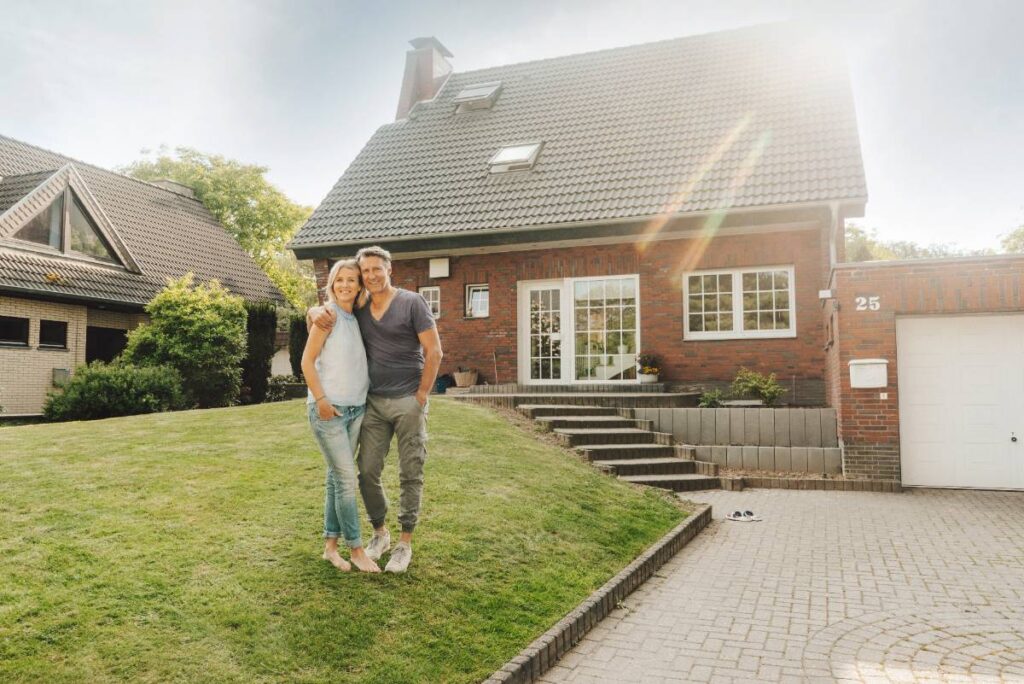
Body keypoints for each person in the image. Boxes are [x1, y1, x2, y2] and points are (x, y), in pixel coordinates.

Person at [311, 245, 442, 573]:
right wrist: (312, 312)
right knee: (367, 471)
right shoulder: (360, 306)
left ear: (389, 270)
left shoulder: (412, 302)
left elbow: (434, 351)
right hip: (373, 402)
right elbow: (331, 310)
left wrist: (421, 396)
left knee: (410, 472)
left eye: (376, 269)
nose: (370, 276)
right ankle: (380, 533)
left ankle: (404, 543)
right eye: (365, 271)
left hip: (408, 401)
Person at [301, 259, 381, 573]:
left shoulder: (356, 318)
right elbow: (307, 362)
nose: (345, 285)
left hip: (355, 410)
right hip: (329, 411)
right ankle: (357, 549)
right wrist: (321, 400)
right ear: (332, 284)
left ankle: (330, 548)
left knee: (336, 479)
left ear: (359, 286)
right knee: (347, 480)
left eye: (351, 280)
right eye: (339, 280)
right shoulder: (328, 316)